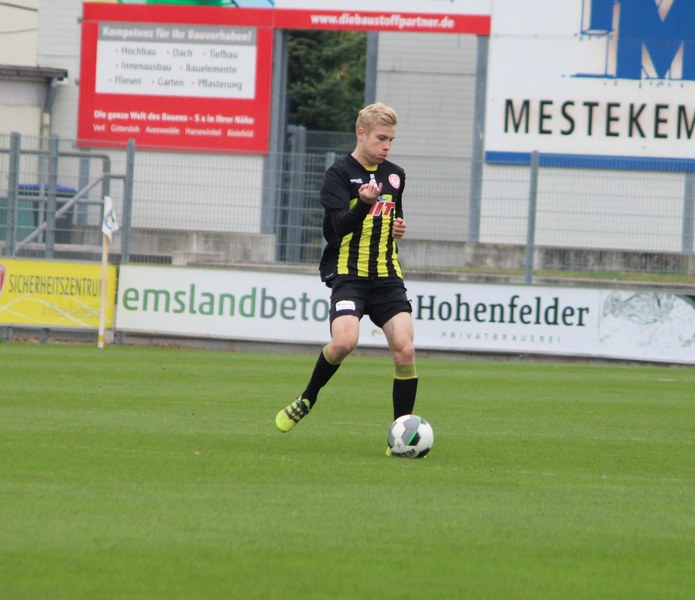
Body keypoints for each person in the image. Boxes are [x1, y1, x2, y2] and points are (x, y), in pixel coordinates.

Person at [275, 102, 418, 446]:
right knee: (343, 342)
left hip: (386, 276)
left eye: (391, 140)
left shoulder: (395, 175)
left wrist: (397, 228)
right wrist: (364, 204)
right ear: (361, 133)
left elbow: (392, 216)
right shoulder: (338, 175)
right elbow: (337, 227)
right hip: (349, 275)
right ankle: (307, 398)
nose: (387, 146)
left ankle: (401, 436)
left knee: (405, 350)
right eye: (381, 138)